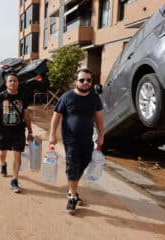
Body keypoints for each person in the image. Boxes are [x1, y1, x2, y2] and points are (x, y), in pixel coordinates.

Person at [48, 68, 104, 214]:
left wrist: (102, 135)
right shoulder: (66, 97)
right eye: (82, 80)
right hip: (70, 139)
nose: (86, 83)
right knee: (73, 165)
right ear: (75, 82)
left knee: (83, 164)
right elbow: (56, 116)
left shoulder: (94, 98)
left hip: (87, 139)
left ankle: (71, 187)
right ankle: (73, 197)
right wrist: (52, 135)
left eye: (89, 80)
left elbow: (98, 118)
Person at [0, 73, 34, 193]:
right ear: (6, 83)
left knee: (17, 155)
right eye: (10, 81)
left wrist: (30, 131)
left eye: (15, 81)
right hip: (3, 131)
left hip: (18, 131)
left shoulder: (23, 97)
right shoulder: (1, 97)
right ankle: (3, 164)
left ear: (18, 83)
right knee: (2, 154)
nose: (13, 83)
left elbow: (26, 116)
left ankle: (14, 180)